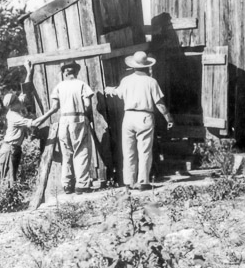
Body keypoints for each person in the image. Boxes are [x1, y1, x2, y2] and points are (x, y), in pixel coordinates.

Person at [106, 51, 174, 191]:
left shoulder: (126, 80)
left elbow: (117, 92)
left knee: (128, 150)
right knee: (144, 150)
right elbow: (159, 103)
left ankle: (129, 182)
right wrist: (168, 118)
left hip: (129, 116)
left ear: (133, 66)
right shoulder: (151, 81)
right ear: (147, 66)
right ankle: (143, 181)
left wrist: (109, 89)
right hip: (144, 116)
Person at [39, 61, 95, 195]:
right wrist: (88, 116)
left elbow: (54, 107)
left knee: (67, 153)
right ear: (76, 72)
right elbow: (87, 105)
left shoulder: (59, 86)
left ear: (65, 72)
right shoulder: (81, 85)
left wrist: (42, 118)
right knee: (81, 150)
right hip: (78, 118)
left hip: (63, 120)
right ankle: (81, 184)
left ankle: (67, 184)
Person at [0, 60, 51, 187]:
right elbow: (34, 123)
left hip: (12, 147)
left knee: (11, 176)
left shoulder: (16, 106)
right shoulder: (14, 116)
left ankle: (8, 201)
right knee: (9, 178)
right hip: (10, 149)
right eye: (17, 100)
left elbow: (26, 91)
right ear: (13, 105)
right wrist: (52, 111)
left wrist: (29, 71)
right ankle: (6, 203)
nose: (20, 100)